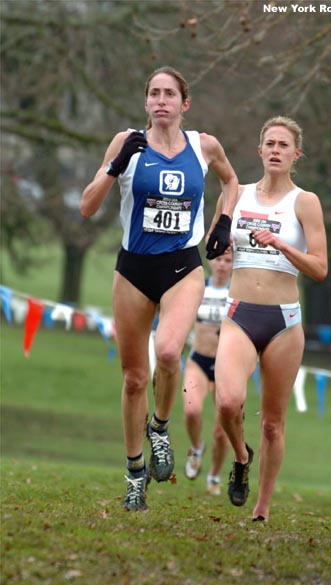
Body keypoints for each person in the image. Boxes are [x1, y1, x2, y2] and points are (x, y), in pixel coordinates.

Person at [80, 66, 238, 511]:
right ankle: (134, 476)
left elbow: (230, 181)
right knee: (133, 379)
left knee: (168, 352)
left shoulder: (203, 146)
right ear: (146, 102)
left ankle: (161, 429)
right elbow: (87, 207)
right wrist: (114, 166)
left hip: (183, 268)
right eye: (154, 93)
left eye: (170, 94)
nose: (161, 100)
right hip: (133, 270)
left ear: (184, 104)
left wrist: (223, 221)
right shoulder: (126, 142)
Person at [210, 116, 328, 522]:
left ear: (296, 154)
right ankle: (241, 457)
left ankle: (261, 508)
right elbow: (213, 245)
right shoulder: (235, 194)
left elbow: (319, 268)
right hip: (240, 314)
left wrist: (279, 243)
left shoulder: (304, 202)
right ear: (259, 150)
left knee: (274, 424)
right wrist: (219, 238)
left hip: (284, 322)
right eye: (270, 144)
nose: (276, 150)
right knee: (227, 401)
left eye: (284, 145)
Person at [183, 249, 233, 495]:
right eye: (219, 259)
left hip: (227, 366)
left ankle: (214, 476)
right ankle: (196, 448)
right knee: (191, 410)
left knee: (222, 433)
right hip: (198, 360)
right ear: (210, 261)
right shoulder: (198, 288)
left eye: (228, 260)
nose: (222, 265)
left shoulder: (237, 293)